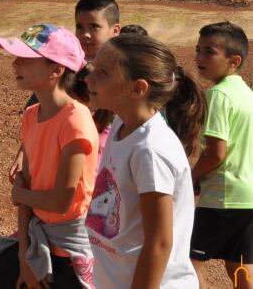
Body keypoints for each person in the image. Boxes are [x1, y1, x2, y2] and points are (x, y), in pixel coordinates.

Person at [0, 25, 97, 289]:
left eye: (26, 59)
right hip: (36, 241)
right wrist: (24, 257)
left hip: (68, 253)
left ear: (56, 70)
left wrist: (20, 196)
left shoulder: (76, 121)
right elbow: (26, 183)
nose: (15, 63)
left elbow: (60, 201)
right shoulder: (32, 115)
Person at [84, 35, 203, 288]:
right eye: (93, 67)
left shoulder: (150, 150)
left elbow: (159, 243)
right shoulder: (120, 126)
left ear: (137, 88)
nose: (89, 78)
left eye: (102, 72)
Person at [10, 0, 121, 181]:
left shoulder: (124, 75)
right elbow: (41, 116)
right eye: (79, 27)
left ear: (115, 30)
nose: (85, 34)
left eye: (94, 27)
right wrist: (23, 153)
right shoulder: (67, 73)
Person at [190, 22, 253, 288]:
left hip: (222, 197)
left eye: (209, 52)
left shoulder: (217, 95)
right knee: (239, 264)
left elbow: (216, 153)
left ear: (233, 60)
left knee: (188, 262)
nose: (199, 58)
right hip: (247, 195)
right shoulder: (247, 94)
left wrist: (189, 176)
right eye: (198, 50)